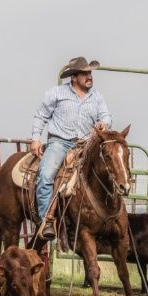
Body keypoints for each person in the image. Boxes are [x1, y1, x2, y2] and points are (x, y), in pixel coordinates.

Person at [31, 56, 112, 240]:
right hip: (60, 142)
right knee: (45, 175)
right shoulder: (57, 93)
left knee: (106, 173)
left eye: (89, 73)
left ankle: (99, 218)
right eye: (84, 73)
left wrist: (103, 123)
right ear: (74, 77)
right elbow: (41, 115)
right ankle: (46, 221)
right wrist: (36, 138)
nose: (89, 76)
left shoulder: (97, 97)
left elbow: (107, 116)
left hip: (86, 144)